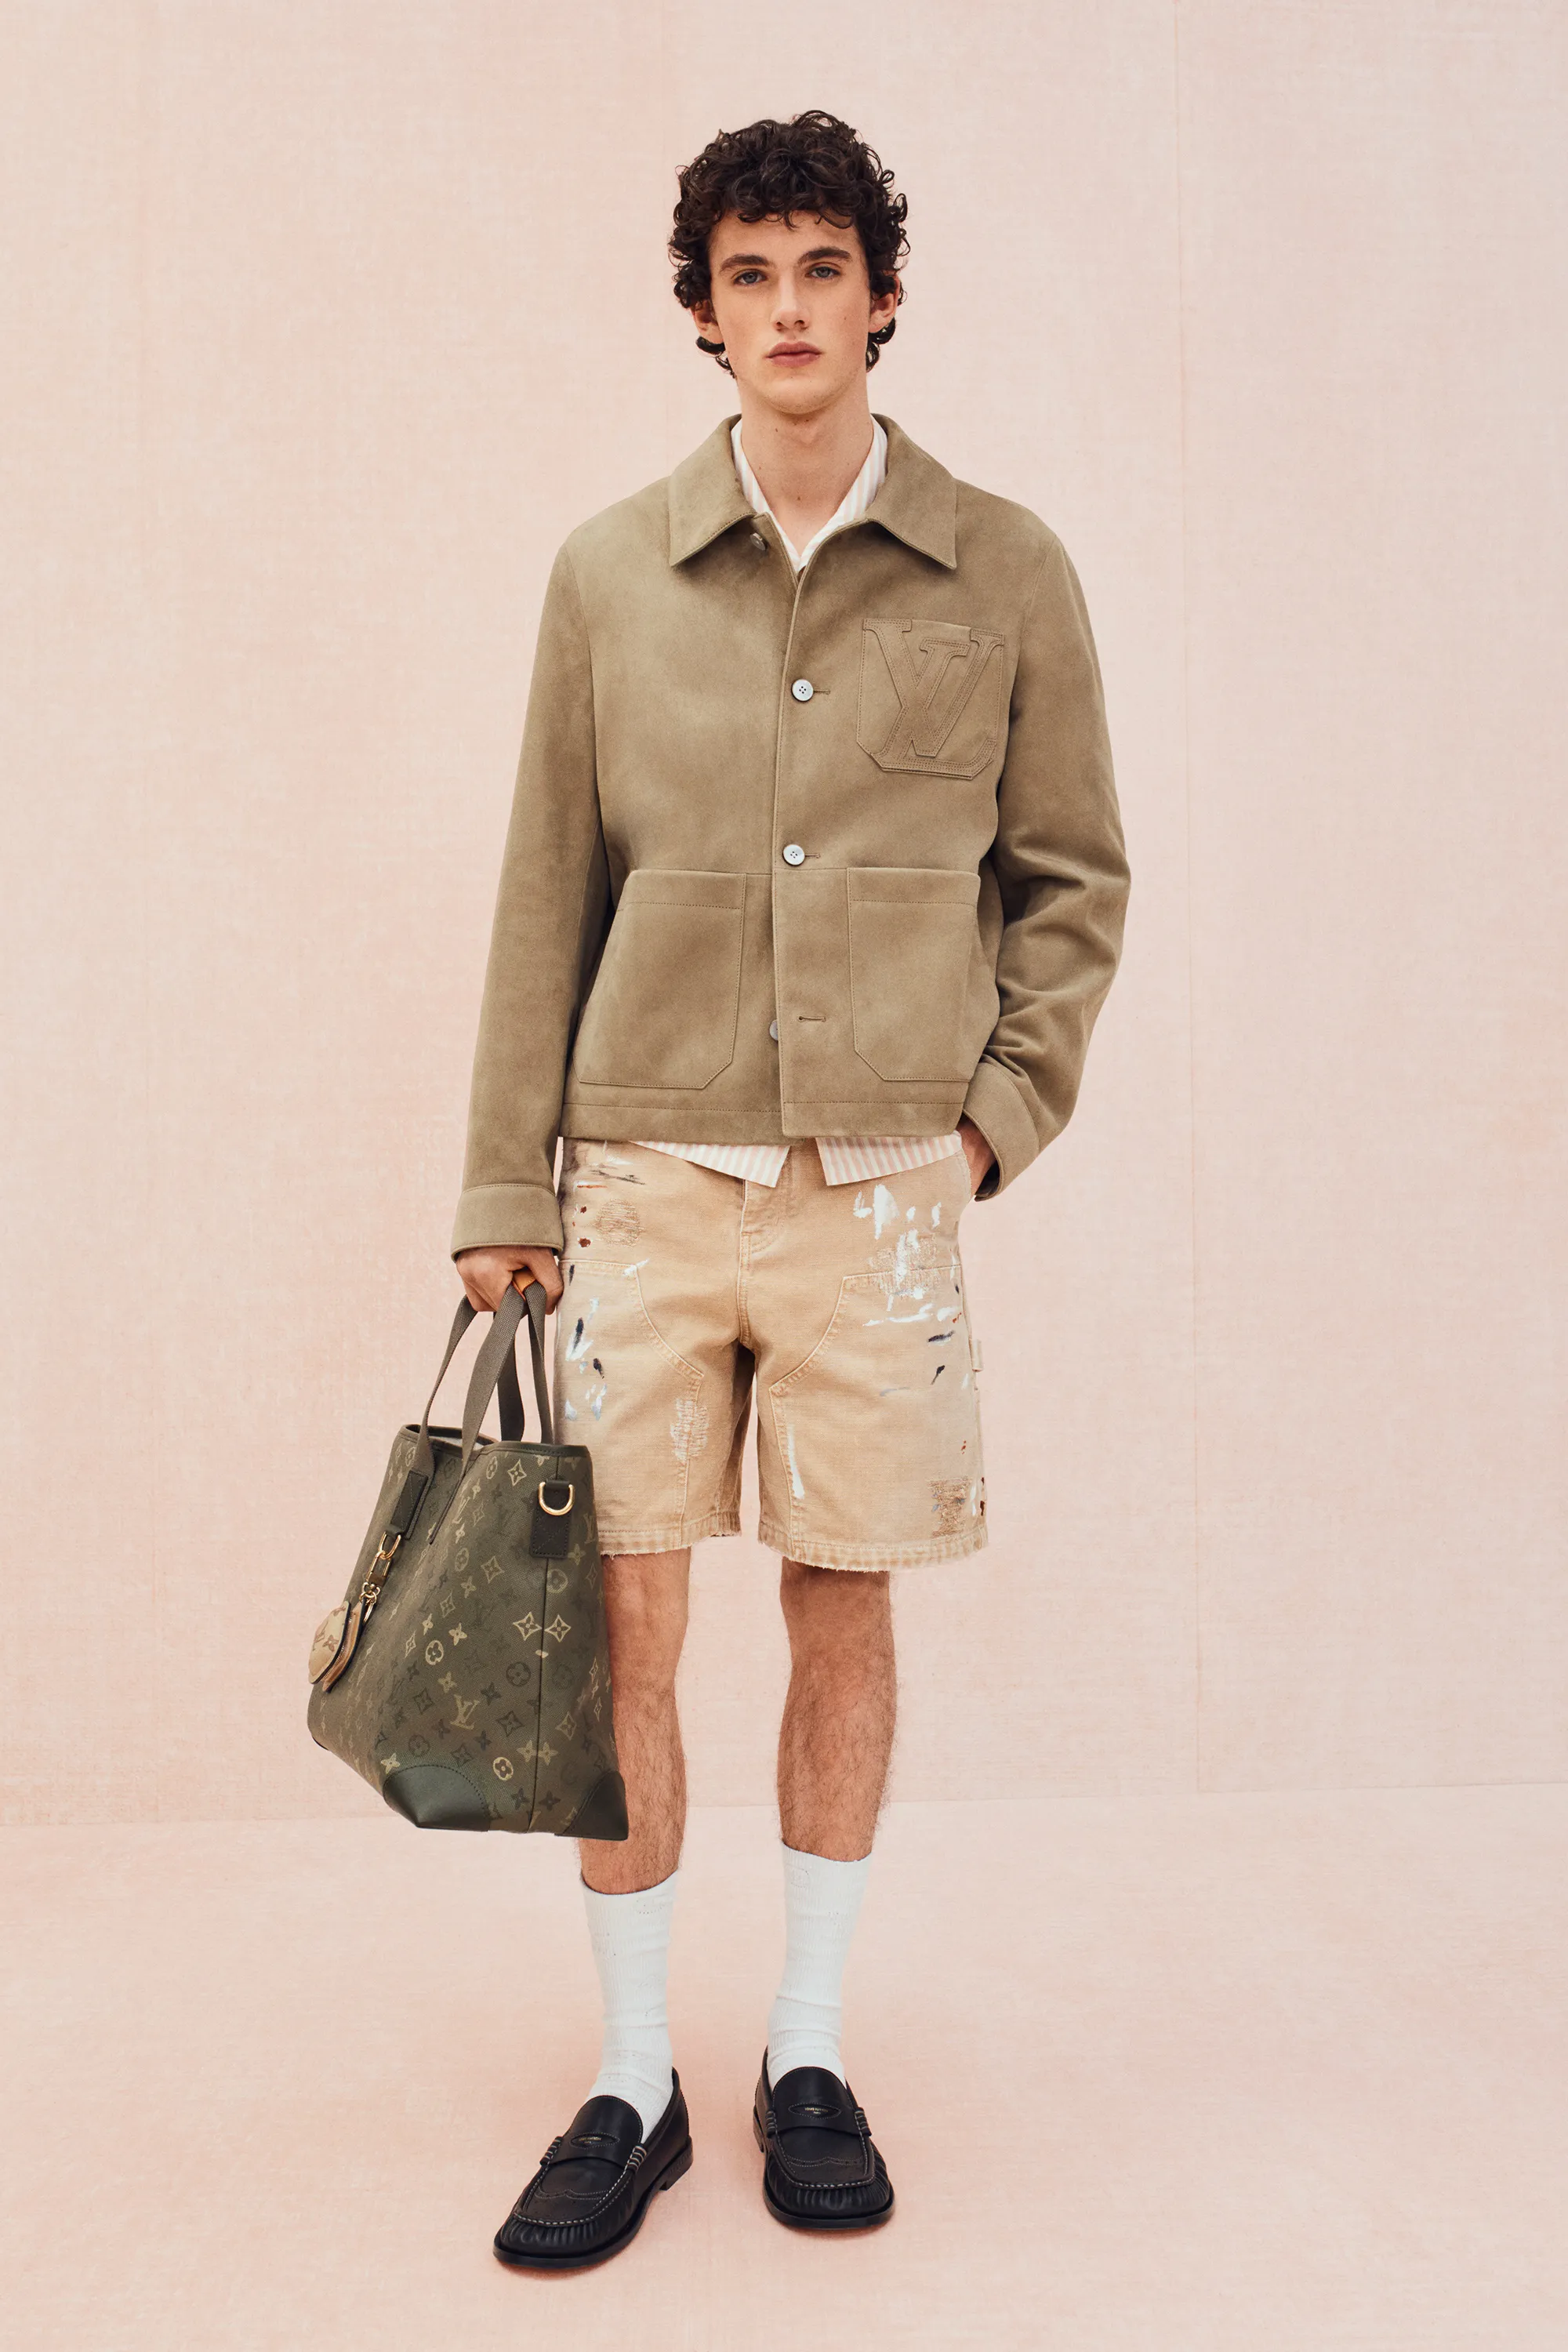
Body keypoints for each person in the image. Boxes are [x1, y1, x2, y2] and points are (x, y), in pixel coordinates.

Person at [454, 109, 1128, 2270]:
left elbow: (1073, 883)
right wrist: (503, 1182)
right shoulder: (607, 574)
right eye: (749, 275)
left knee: (846, 1609)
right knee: (625, 1628)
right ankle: (633, 2078)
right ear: (702, 314)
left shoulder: (1006, 568)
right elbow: (544, 892)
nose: (788, 309)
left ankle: (808, 2050)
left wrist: (991, 1122)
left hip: (881, 1198)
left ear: (883, 295)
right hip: (643, 1184)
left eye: (822, 267)